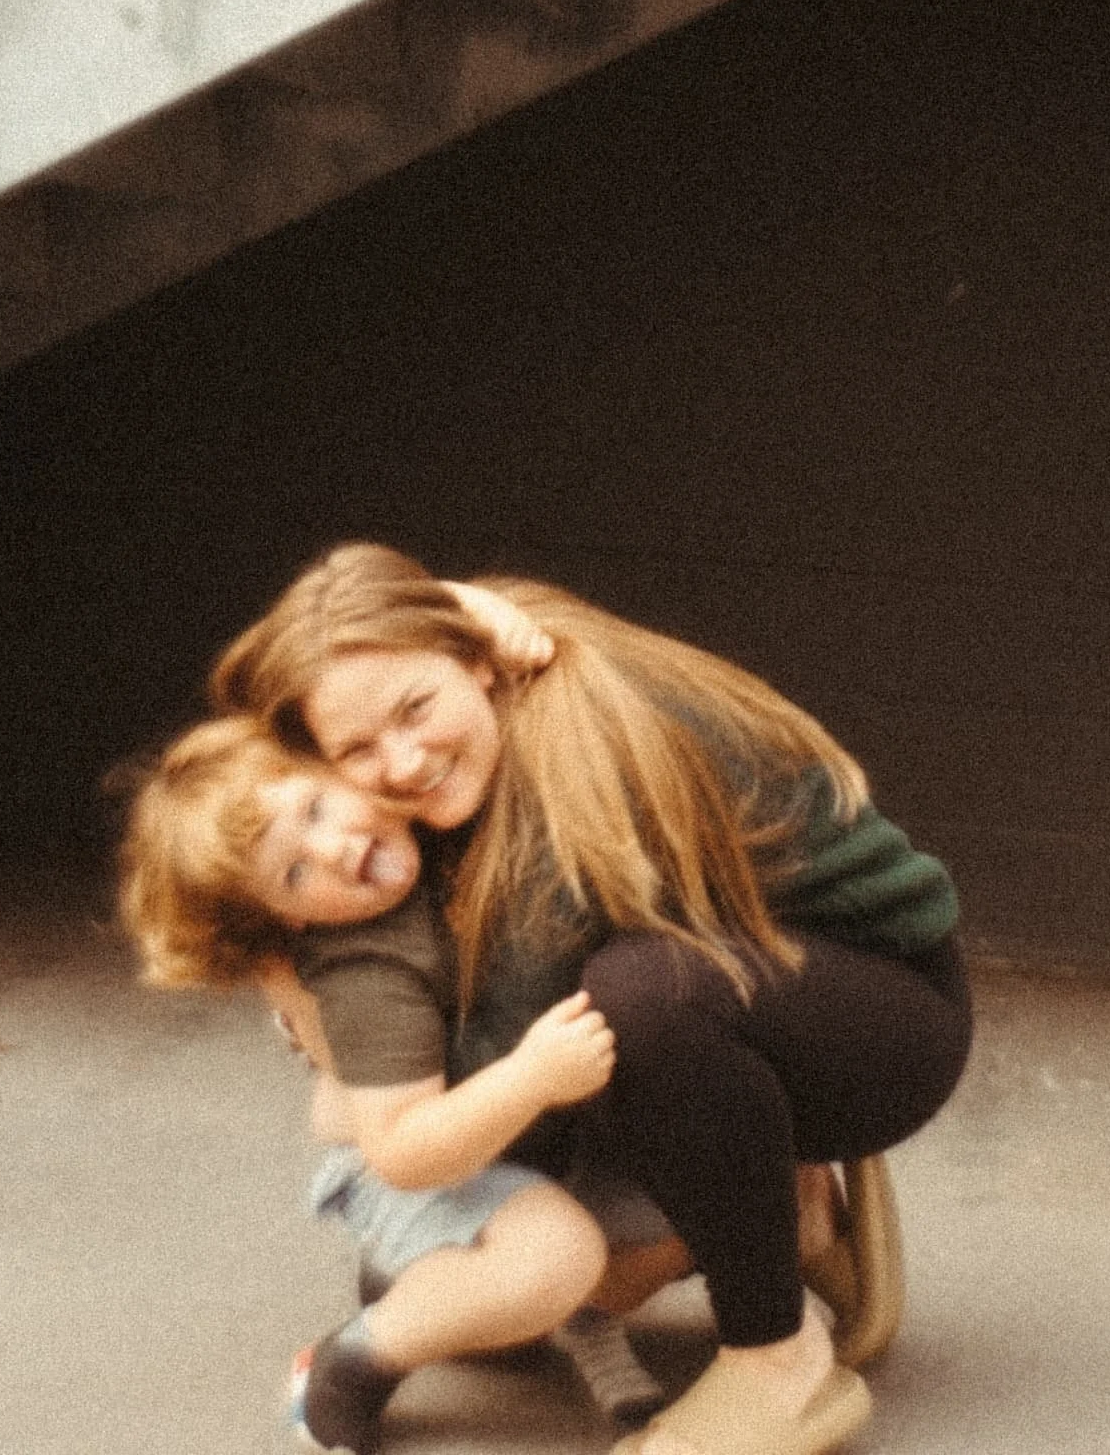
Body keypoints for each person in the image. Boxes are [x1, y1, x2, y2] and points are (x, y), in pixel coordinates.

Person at [210, 543, 974, 1455]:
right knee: (452, 1280)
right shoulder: (493, 668)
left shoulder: (573, 770)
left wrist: (361, 1100)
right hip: (754, 997)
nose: (404, 761)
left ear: (478, 664)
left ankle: (778, 1361)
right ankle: (796, 1222)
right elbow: (278, 764)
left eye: (416, 709)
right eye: (358, 751)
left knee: (635, 1002)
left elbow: (504, 1097)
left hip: (880, 1019)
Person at [118, 714, 662, 1454]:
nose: (335, 848)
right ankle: (358, 1360)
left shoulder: (435, 822)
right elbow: (408, 1151)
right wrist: (532, 1076)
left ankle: (490, 1296)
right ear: (286, 920)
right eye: (295, 873)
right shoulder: (364, 970)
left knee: (751, 1194)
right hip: (413, 1162)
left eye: (314, 808)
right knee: (556, 1256)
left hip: (525, 1137)